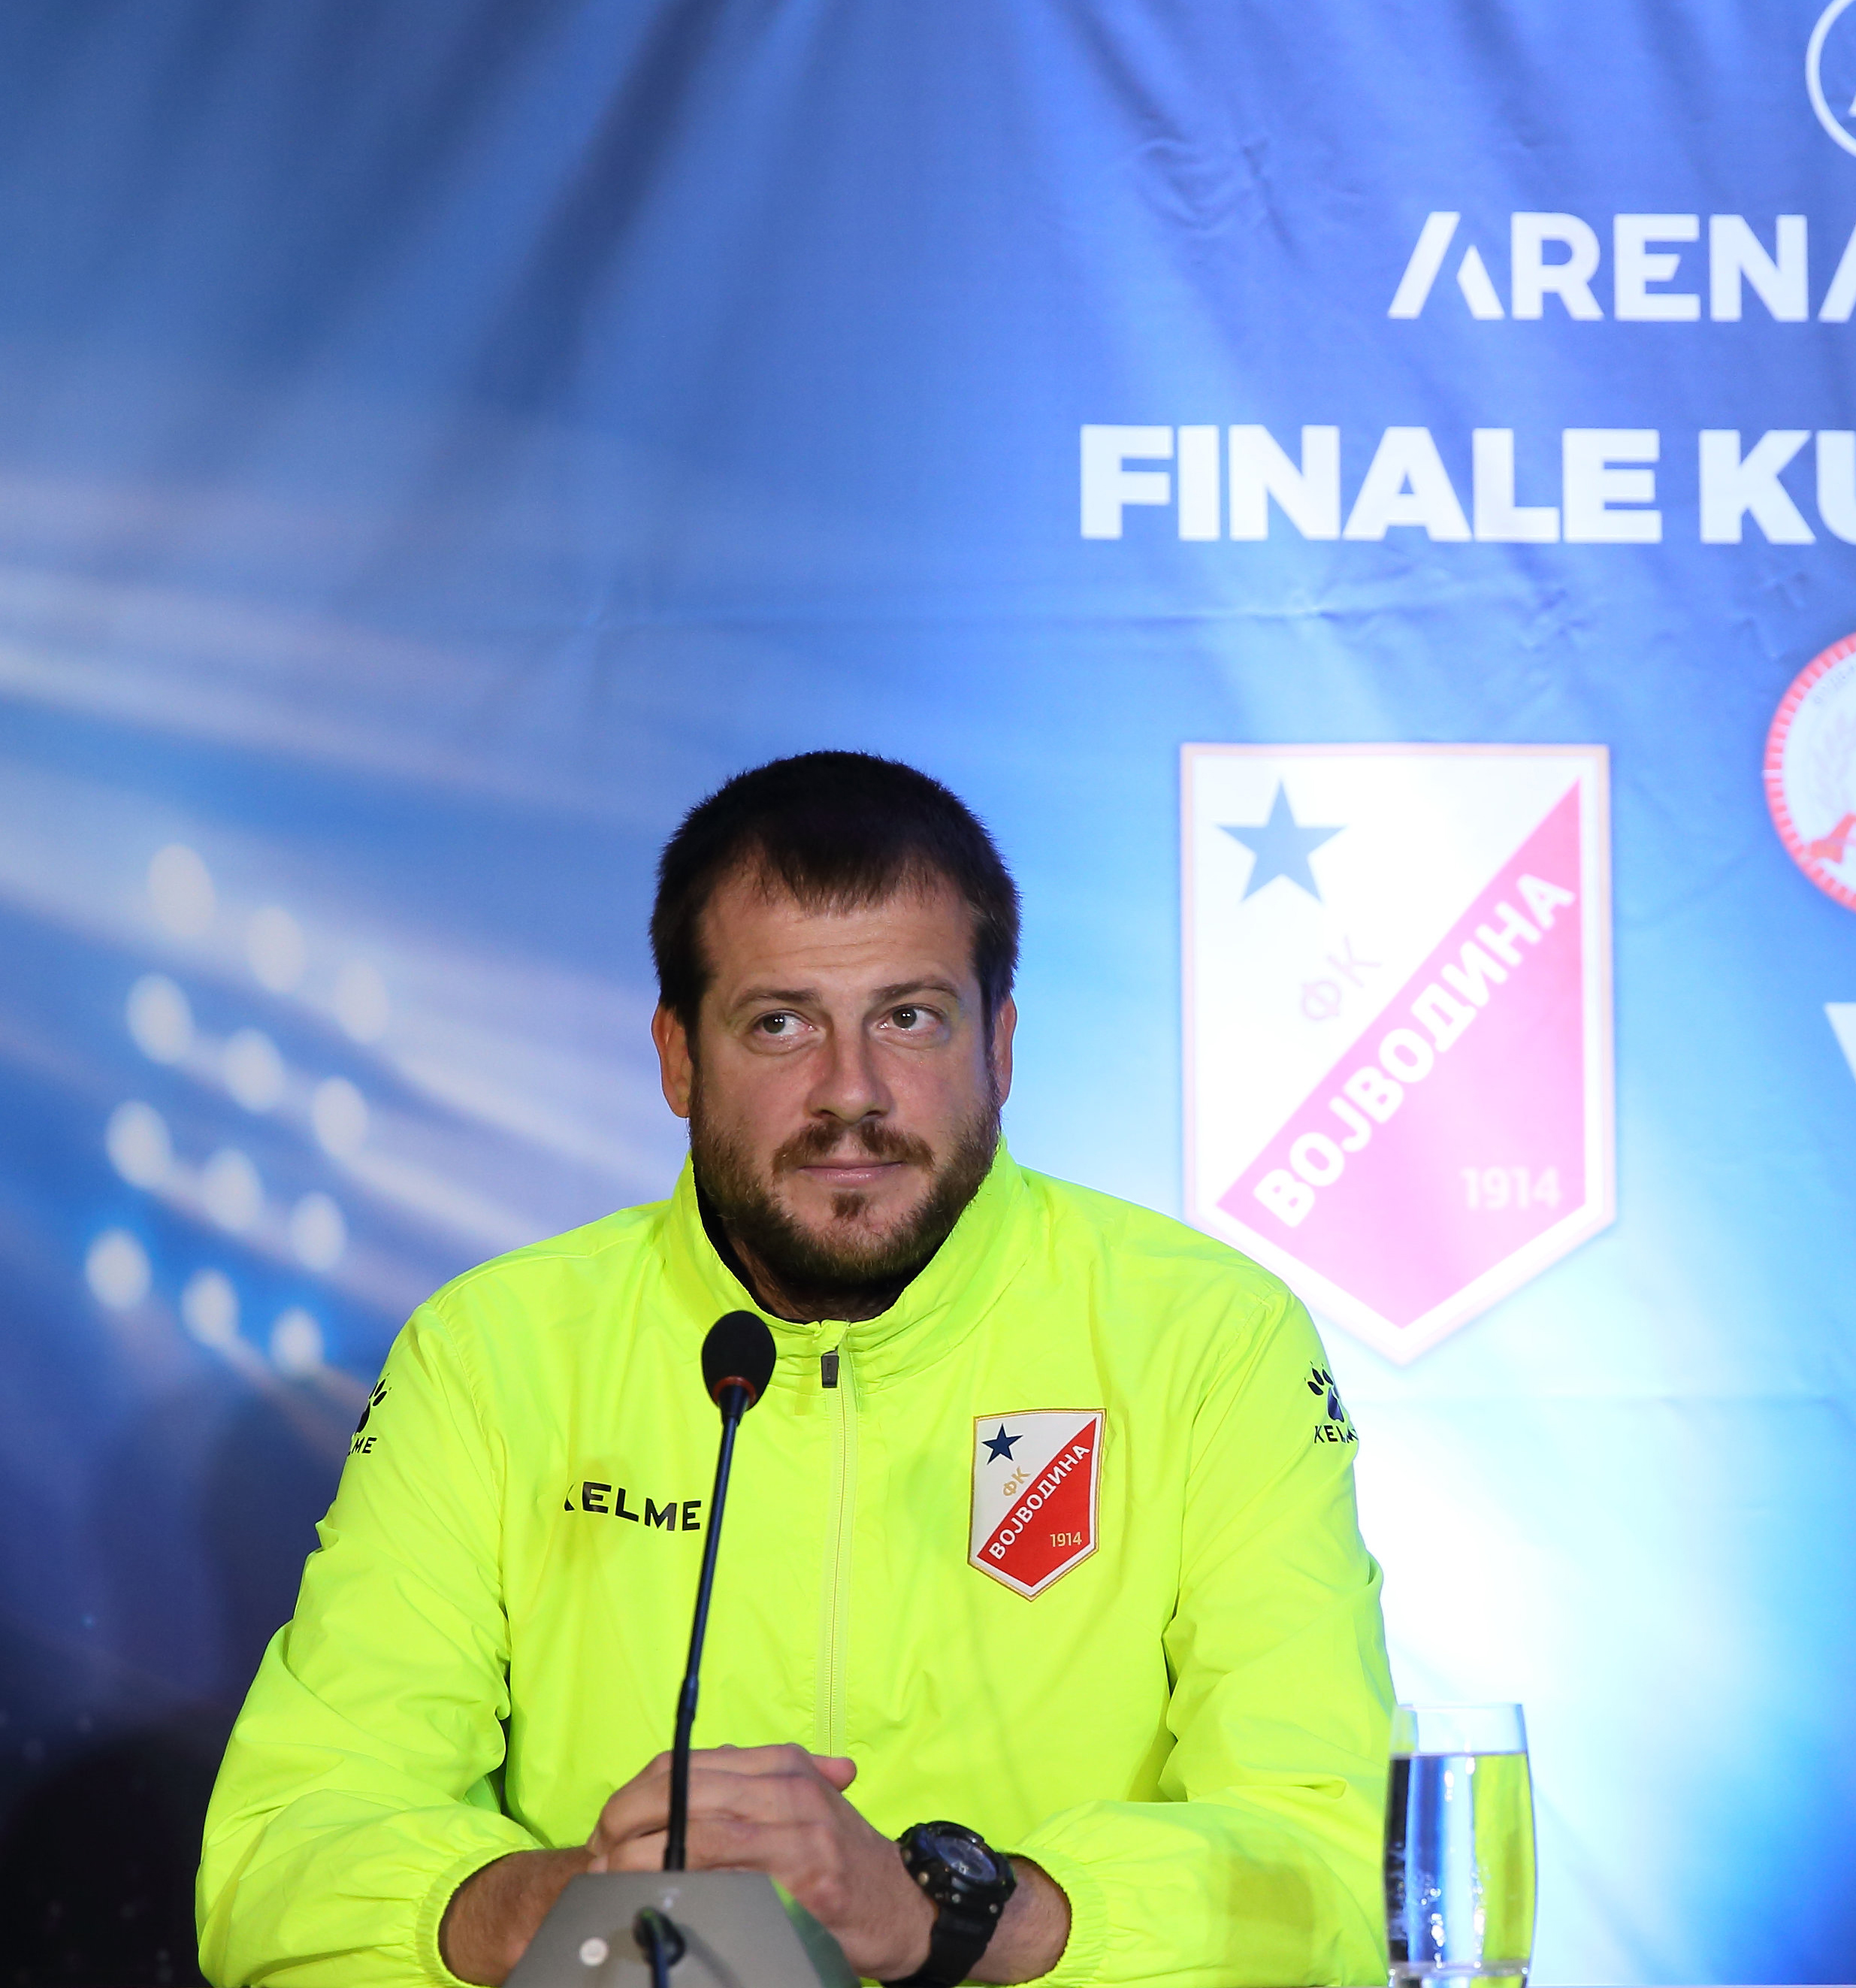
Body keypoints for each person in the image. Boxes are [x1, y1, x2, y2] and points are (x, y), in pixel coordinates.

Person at [198, 752, 1393, 1988]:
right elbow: (279, 1863)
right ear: (678, 1058)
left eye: (909, 1017)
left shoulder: (1208, 1338)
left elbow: (1325, 1866)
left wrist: (944, 1916)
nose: (851, 1094)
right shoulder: (494, 1353)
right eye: (781, 1024)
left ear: (1002, 1044)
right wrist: (575, 1903)